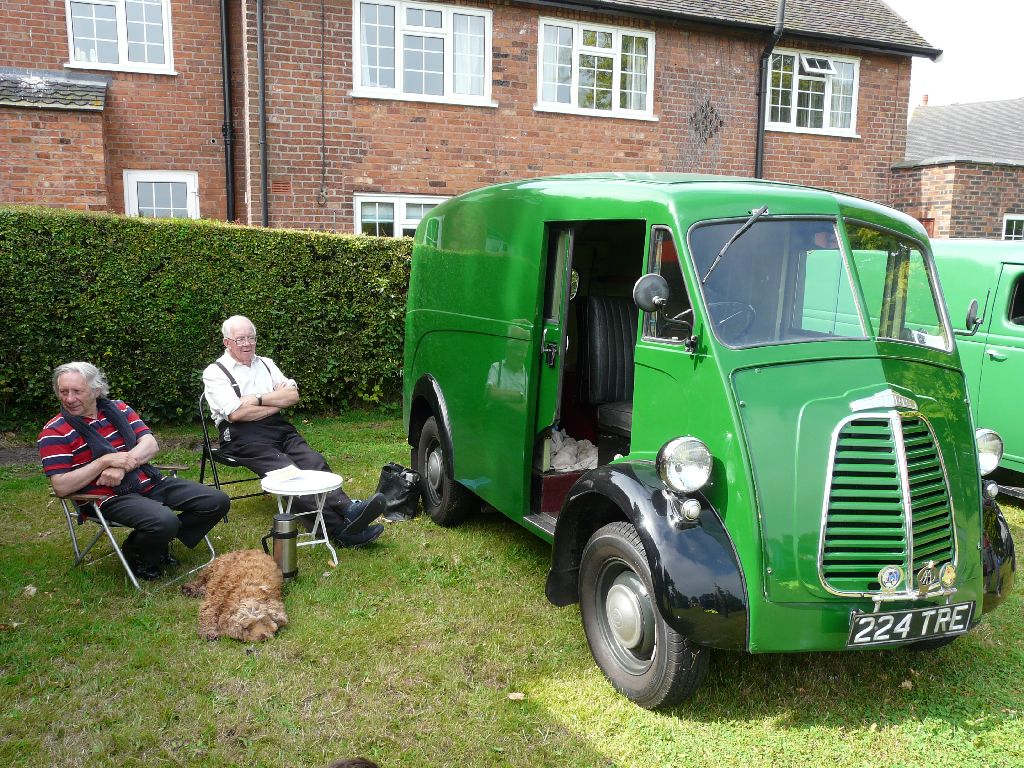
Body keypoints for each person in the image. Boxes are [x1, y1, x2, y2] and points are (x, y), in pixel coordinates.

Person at [202, 315, 385, 547]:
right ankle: (339, 530)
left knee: (313, 461)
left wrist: (256, 399)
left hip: (278, 428)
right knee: (288, 474)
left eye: (251, 338)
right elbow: (236, 414)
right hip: (241, 436)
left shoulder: (266, 363)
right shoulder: (215, 372)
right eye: (240, 339)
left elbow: (292, 396)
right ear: (227, 342)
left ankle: (349, 509)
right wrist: (275, 402)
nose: (247, 344)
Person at [38, 362, 229, 581]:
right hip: (106, 498)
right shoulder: (54, 432)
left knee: (217, 501)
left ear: (96, 390)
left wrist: (122, 466)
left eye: (77, 391)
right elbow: (61, 486)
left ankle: (151, 543)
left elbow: (150, 444)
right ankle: (141, 551)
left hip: (148, 481)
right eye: (64, 392)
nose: (69, 399)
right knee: (164, 521)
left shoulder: (118, 409)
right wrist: (103, 462)